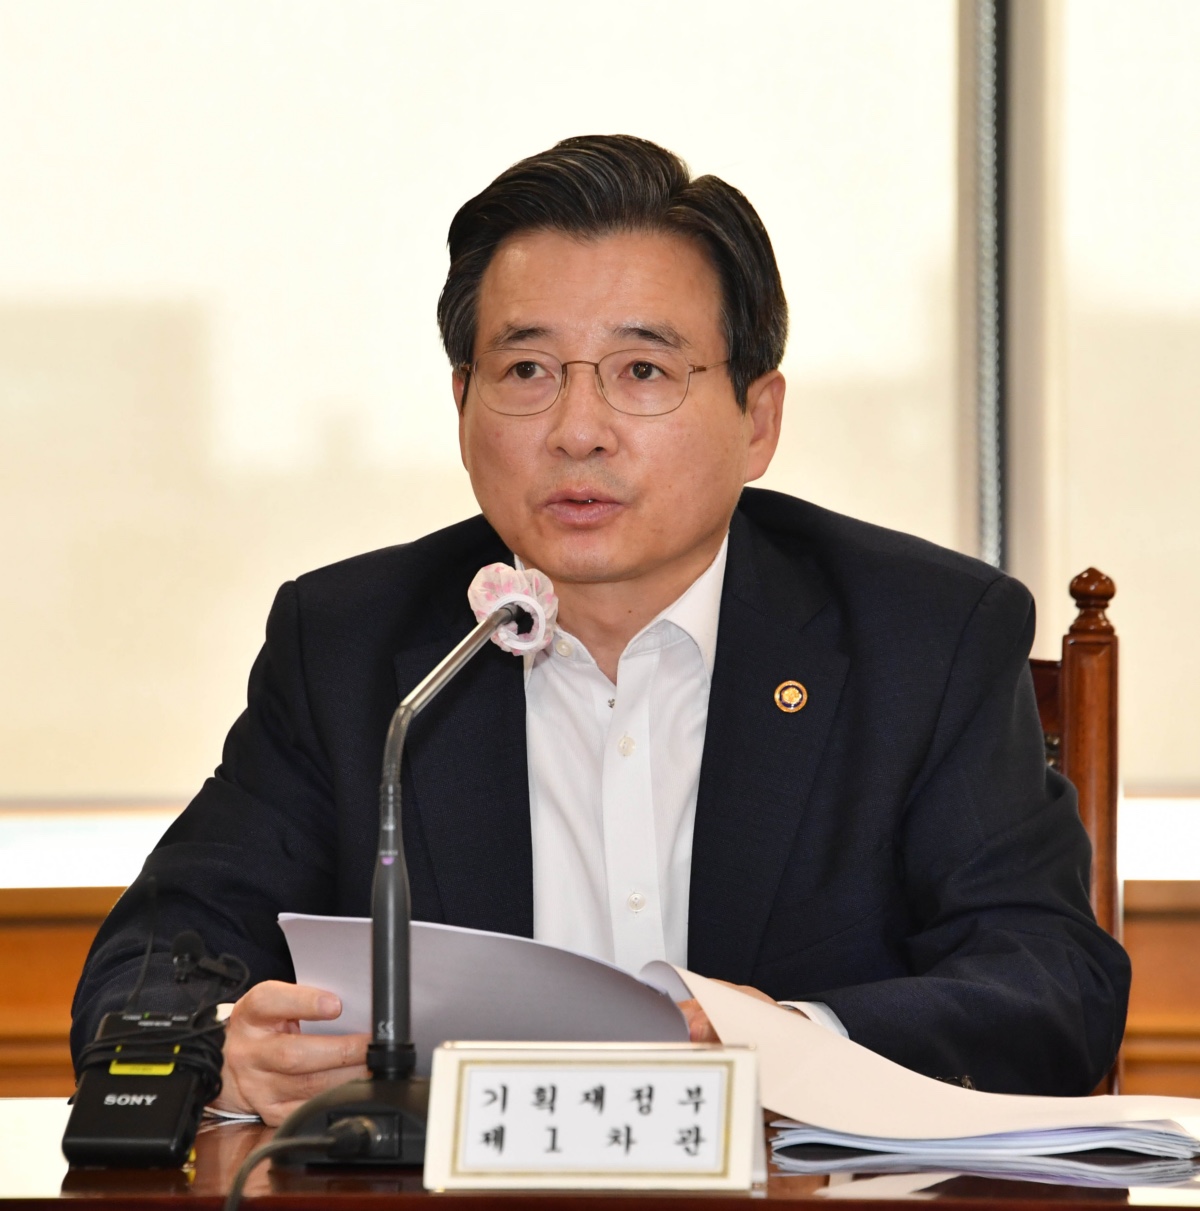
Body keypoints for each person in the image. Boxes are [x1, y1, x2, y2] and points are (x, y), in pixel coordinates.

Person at [72, 134, 1130, 1124]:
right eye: (527, 371)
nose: (578, 431)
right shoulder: (351, 650)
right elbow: (149, 965)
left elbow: (1050, 982)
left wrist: (786, 1043)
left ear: (758, 419)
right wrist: (222, 1049)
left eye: (643, 371)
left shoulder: (925, 637)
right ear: (463, 405)